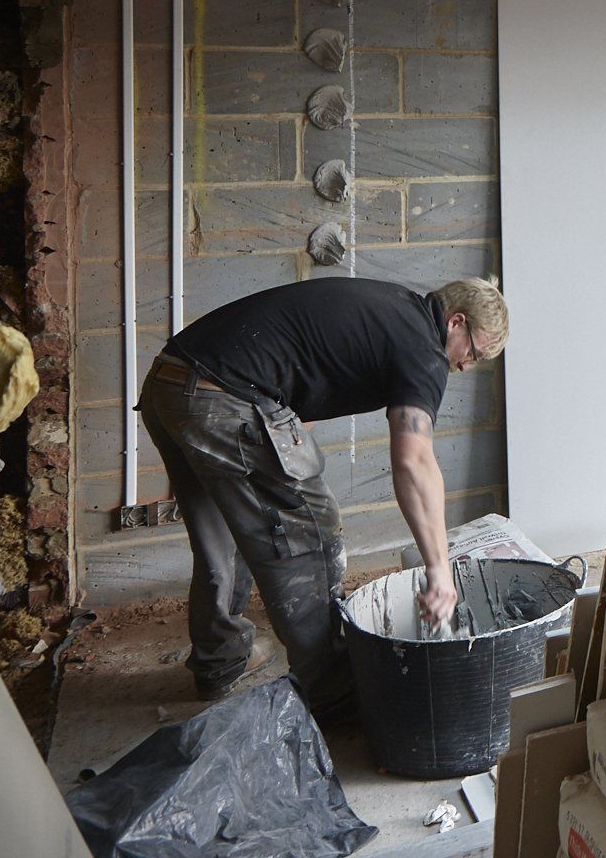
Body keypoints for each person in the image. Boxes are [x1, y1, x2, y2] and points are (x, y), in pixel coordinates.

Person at [136, 275, 508, 724]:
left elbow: (296, 393)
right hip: (221, 397)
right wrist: (439, 569)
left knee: (224, 527)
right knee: (310, 530)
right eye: (475, 351)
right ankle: (334, 696)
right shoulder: (422, 348)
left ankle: (221, 657)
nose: (468, 365)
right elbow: (414, 460)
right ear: (456, 322)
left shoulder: (389, 309)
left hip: (171, 383)